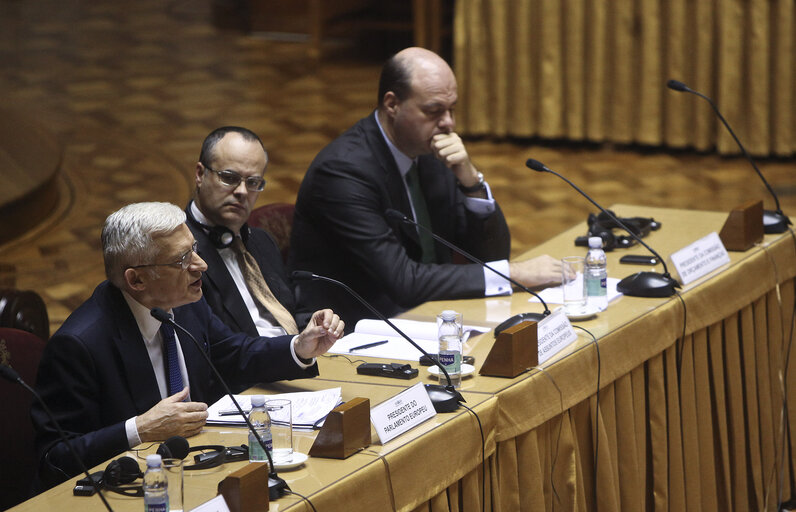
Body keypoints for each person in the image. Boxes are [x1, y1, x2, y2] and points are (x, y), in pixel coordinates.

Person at [31, 202, 344, 489]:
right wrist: (139, 429)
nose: (201, 265)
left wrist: (299, 346)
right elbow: (55, 458)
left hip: (202, 468)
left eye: (194, 249)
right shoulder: (79, 345)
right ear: (136, 280)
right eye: (182, 260)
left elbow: (233, 354)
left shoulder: (182, 301)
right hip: (137, 490)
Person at [289, 47, 562, 326]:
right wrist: (515, 275)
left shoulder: (430, 153)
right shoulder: (342, 172)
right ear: (392, 104)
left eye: (452, 109)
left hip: (428, 315)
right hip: (352, 331)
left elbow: (491, 256)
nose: (448, 124)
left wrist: (471, 181)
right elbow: (403, 281)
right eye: (433, 111)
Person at [186, 126, 310, 337]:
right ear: (200, 174)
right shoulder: (180, 253)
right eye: (229, 178)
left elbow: (290, 313)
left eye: (253, 182)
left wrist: (316, 325)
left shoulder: (262, 241)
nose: (242, 192)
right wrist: (290, 352)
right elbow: (216, 348)